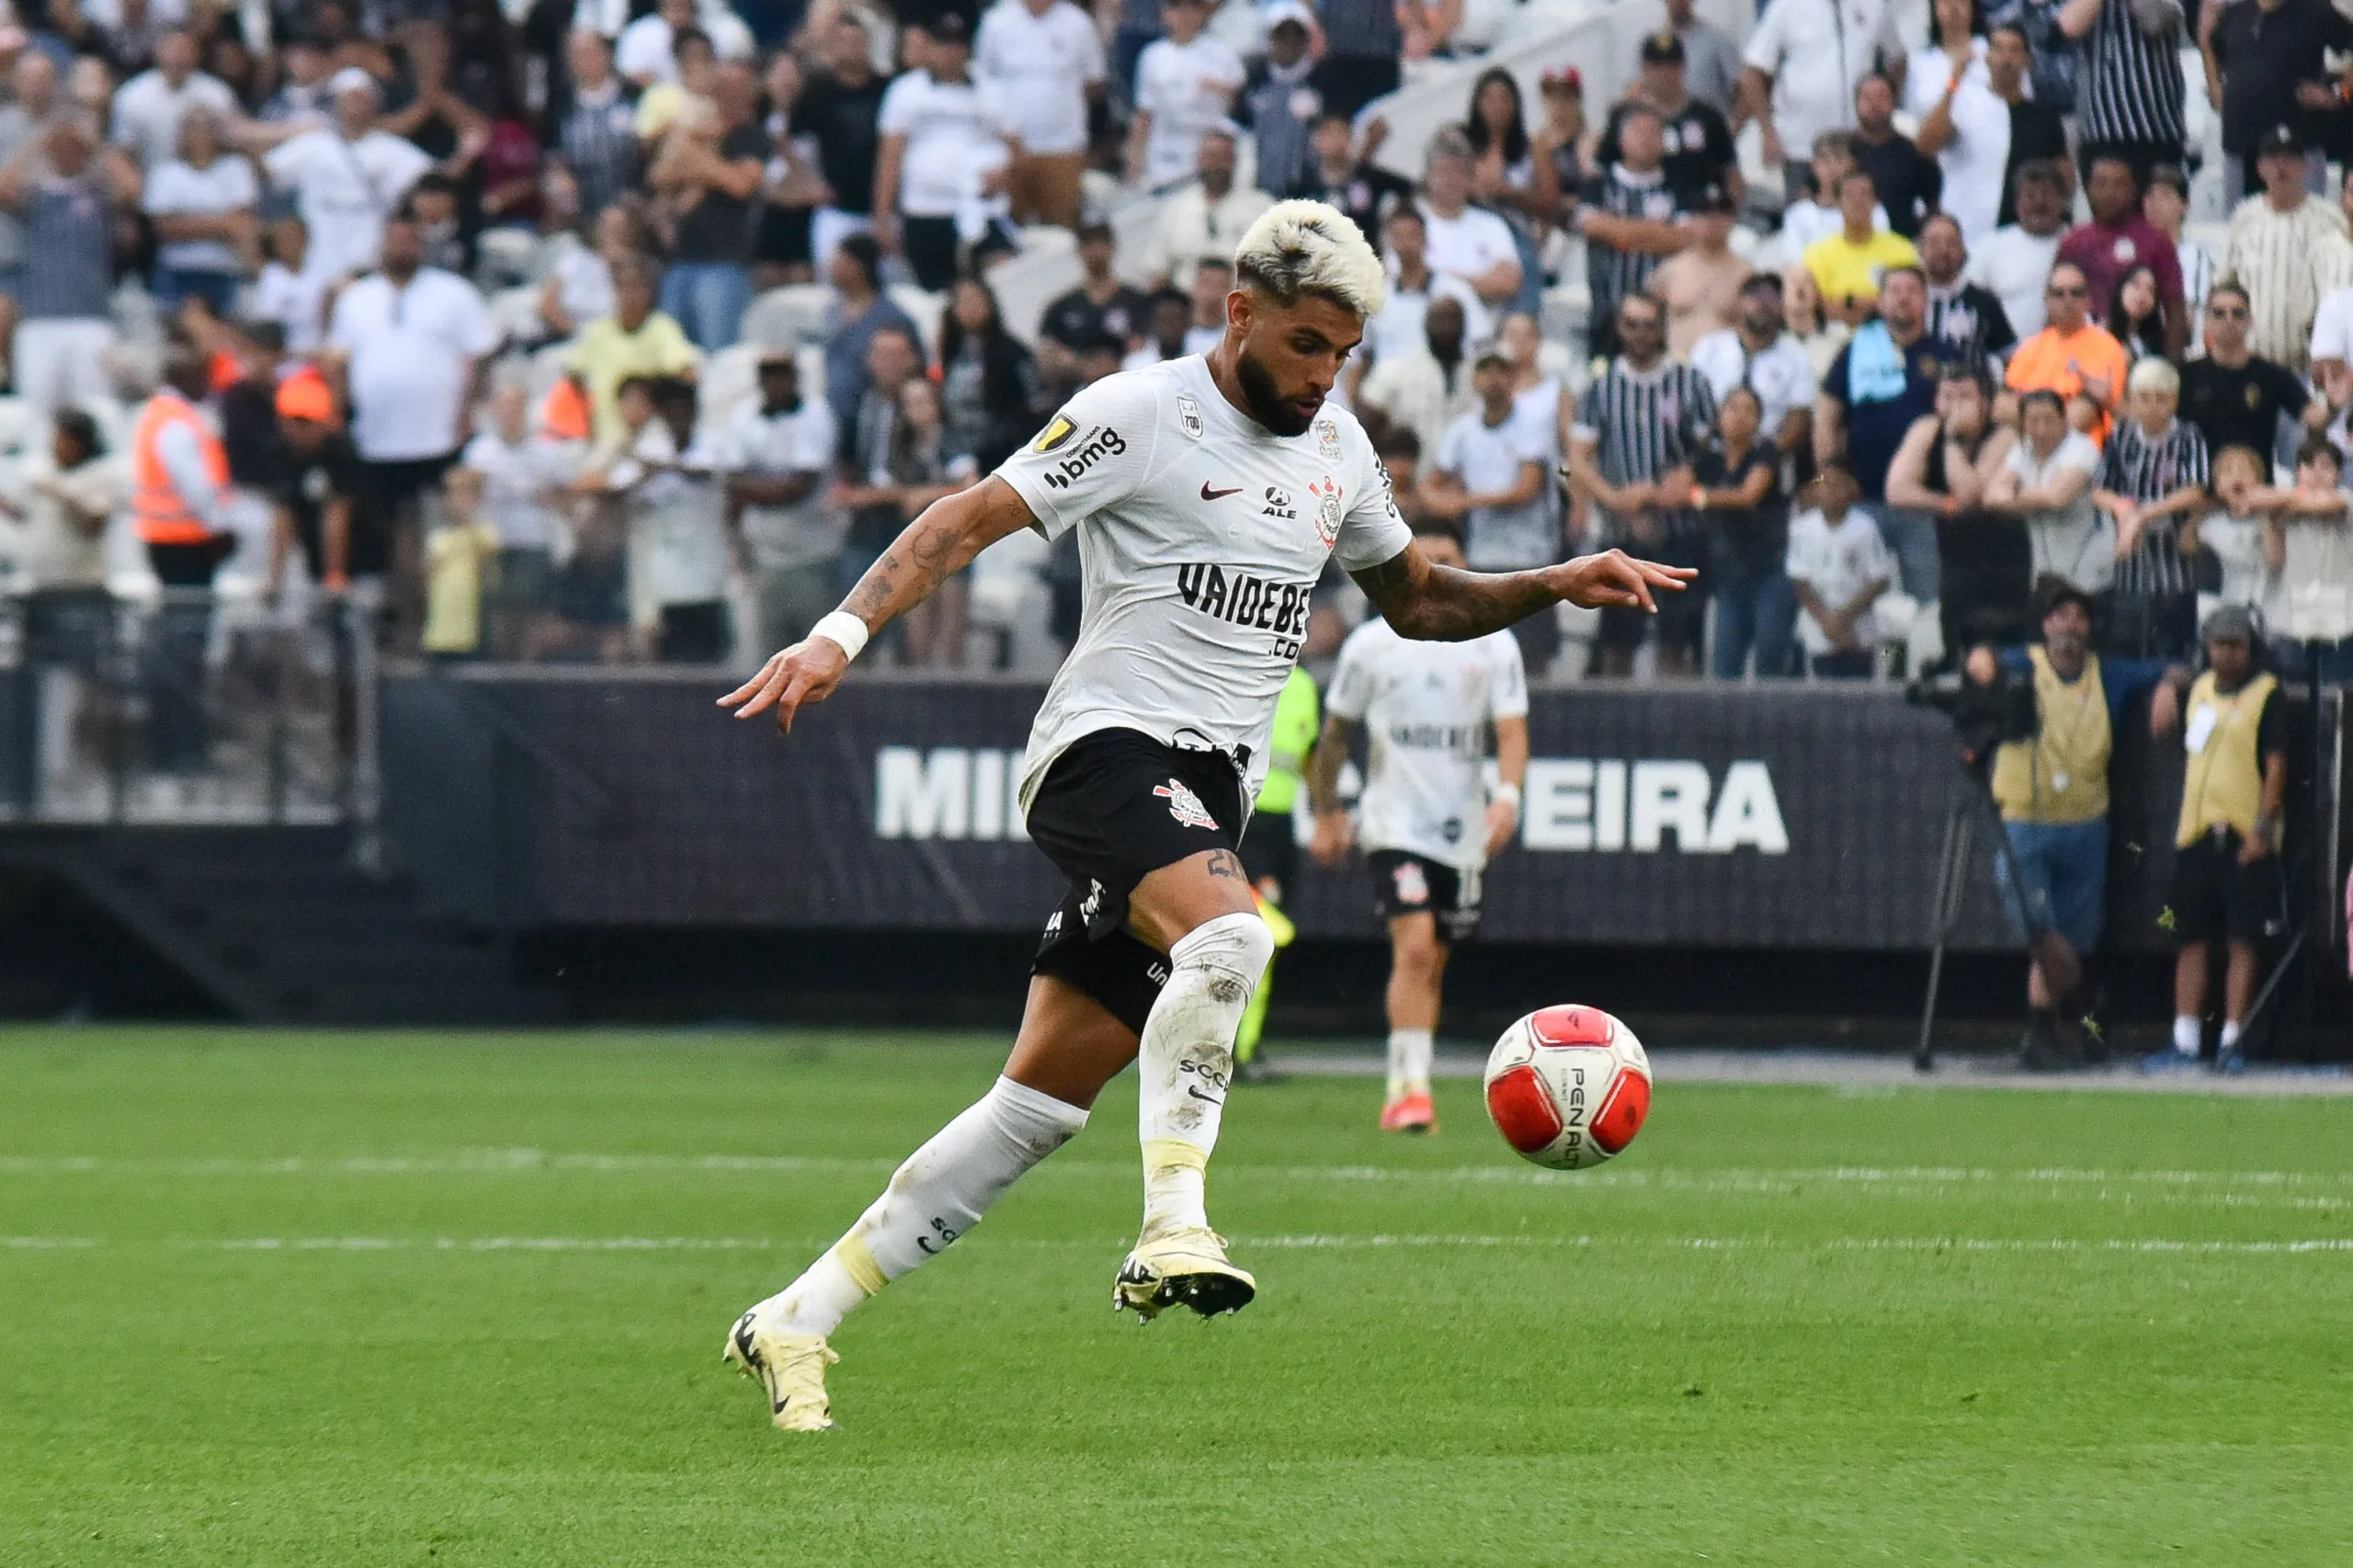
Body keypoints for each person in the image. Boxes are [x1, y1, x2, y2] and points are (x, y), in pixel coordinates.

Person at [714, 200, 1689, 1430]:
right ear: (1239, 313)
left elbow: (1420, 601)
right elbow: (964, 519)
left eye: (1343, 352)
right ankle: (1172, 1223)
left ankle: (795, 1317)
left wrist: (1554, 581)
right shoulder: (1140, 413)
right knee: (1232, 934)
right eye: (1305, 344)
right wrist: (839, 633)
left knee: (1038, 1104)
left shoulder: (1338, 448)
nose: (1323, 374)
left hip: (1204, 792)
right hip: (1102, 749)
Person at [1308, 517, 1528, 1131]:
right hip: (1393, 822)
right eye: (1426, 559)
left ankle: (1413, 1081)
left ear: (1467, 564)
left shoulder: (1493, 644)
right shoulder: (1371, 645)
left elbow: (1511, 731)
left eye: (1449, 557)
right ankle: (1408, 1090)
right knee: (1416, 946)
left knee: (1434, 959)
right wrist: (1326, 813)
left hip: (1461, 827)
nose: (1439, 570)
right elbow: (1335, 736)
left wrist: (1507, 797)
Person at [1963, 581, 2188, 1068]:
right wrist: (1980, 659)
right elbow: (1980, 660)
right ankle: (2087, 1005)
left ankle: (2043, 1031)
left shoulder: (2109, 673)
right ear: (2045, 625)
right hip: (2025, 818)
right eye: (2060, 616)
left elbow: (2177, 666)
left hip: (2086, 824)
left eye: (2079, 617)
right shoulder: (2024, 664)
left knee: (2072, 934)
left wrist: (2168, 686)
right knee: (2040, 929)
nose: (2069, 625)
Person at [325, 210, 501, 649]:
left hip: (438, 439)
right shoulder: (357, 299)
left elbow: (481, 352)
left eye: (409, 240)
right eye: (394, 240)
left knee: (442, 536)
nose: (401, 248)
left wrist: (466, 410)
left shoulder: (452, 293)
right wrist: (340, 413)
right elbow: (338, 360)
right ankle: (400, 625)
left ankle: (447, 625)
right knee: (389, 538)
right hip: (376, 441)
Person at [2156, 603, 2287, 1072]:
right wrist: (2167, 683)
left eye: (2235, 645)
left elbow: (2276, 766)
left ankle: (2234, 1038)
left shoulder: (2267, 694)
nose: (2226, 654)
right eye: (2219, 645)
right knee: (2190, 938)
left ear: (2250, 648)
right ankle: (2186, 1038)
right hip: (2196, 831)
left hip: (2241, 833)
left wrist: (2263, 828)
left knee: (2241, 941)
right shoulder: (2199, 689)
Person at [1568, 290, 1718, 676]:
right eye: (1631, 324)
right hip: (1621, 538)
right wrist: (1616, 499)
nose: (1640, 334)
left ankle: (1676, 716)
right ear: (1619, 327)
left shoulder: (1690, 382)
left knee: (1677, 645)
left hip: (1681, 532)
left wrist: (1681, 483)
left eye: (1649, 325)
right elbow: (1578, 460)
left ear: (1662, 328)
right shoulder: (1600, 387)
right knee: (1617, 646)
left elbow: (1711, 450)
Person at [131, 345, 236, 774]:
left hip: (167, 541)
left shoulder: (159, 414)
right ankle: (179, 746)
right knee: (185, 646)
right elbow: (196, 486)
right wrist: (220, 527)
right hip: (185, 544)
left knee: (181, 642)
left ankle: (176, 743)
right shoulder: (176, 422)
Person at [1815, 266, 1949, 604]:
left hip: (1923, 502)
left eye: (1912, 290)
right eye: (1895, 291)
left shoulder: (1945, 355)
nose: (1903, 298)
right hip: (1862, 498)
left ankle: (1919, 643)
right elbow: (1827, 417)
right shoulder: (1855, 352)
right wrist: (1828, 476)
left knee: (1925, 603)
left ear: (1925, 300)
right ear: (1881, 300)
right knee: (1856, 599)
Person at [1427, 352, 1556, 673]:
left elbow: (1526, 490)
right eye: (1485, 370)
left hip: (1529, 556)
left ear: (1513, 378)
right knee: (1482, 650)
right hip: (1482, 556)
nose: (1493, 379)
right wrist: (1442, 502)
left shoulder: (1531, 426)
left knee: (1531, 655)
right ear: (1474, 379)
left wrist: (1465, 501)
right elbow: (1430, 485)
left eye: (1501, 371)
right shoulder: (1463, 430)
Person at [1886, 362, 2027, 657]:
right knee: (1953, 633)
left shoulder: (2004, 436)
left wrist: (1952, 442)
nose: (1954, 407)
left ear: (1985, 403)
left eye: (1964, 397)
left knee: (1996, 643)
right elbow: (1897, 490)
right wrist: (1946, 505)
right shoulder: (1926, 428)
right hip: (1954, 556)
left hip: (2001, 557)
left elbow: (1970, 494)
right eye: (1947, 396)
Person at [0, 114, 138, 415]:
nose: (66, 152)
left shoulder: (97, 194)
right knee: (37, 412)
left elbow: (131, 187)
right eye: (60, 147)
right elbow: (3, 185)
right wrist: (39, 141)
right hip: (39, 319)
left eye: (73, 146)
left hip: (92, 317)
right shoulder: (36, 196)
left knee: (96, 412)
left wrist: (94, 141)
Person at [874, 12, 1009, 293]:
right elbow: (889, 157)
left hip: (980, 206)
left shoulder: (990, 90)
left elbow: (1015, 146)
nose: (950, 52)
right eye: (943, 44)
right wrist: (883, 215)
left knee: (998, 276)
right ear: (930, 47)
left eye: (957, 44)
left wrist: (1004, 175)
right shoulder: (906, 91)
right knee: (935, 289)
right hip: (925, 209)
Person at [262, 70, 433, 287]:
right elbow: (268, 170)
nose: (355, 105)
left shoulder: (391, 148)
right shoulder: (315, 144)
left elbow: (433, 180)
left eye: (362, 98)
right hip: (319, 259)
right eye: (349, 98)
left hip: (371, 263)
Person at [720, 350, 840, 653]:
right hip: (765, 557)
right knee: (771, 650)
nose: (776, 383)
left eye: (783, 375)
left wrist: (752, 487)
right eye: (769, 376)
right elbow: (731, 483)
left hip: (812, 555)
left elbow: (799, 487)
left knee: (815, 648)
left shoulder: (815, 415)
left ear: (794, 377)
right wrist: (737, 542)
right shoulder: (745, 417)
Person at [2093, 358, 2210, 658]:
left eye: (2161, 398)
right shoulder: (2121, 435)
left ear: (2175, 401)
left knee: (2173, 645)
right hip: (2130, 561)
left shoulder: (2188, 435)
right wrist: (2124, 510)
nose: (2152, 406)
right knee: (2128, 642)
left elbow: (2195, 490)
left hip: (2174, 560)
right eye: (2144, 398)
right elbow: (2099, 490)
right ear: (2131, 400)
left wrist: (2143, 514)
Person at [1233, 659, 1315, 1076]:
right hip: (1243, 820)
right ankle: (1234, 1047)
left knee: (1262, 941)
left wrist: (1326, 813)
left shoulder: (1303, 686)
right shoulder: (1241, 669)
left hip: (1280, 828)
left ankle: (1242, 1045)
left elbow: (1310, 755)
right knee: (1251, 936)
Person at [648, 66, 767, 351]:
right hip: (680, 259)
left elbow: (741, 184)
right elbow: (660, 176)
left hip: (723, 263)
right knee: (672, 352)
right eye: (722, 89)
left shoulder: (752, 137)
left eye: (735, 90)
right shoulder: (700, 133)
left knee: (718, 351)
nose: (727, 96)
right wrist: (710, 169)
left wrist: (691, 152)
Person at [463, 379, 580, 659]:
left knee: (528, 606)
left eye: (515, 406)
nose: (509, 413)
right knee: (497, 606)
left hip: (532, 539)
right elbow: (465, 496)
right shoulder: (480, 452)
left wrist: (546, 497)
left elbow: (568, 498)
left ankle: (525, 665)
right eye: (503, 406)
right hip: (492, 540)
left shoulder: (547, 453)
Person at [1739, 0, 1905, 196]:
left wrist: (1886, 104)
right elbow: (1753, 72)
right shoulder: (1787, 6)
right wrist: (1768, 132)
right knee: (1804, 211)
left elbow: (1898, 59)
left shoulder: (1874, 5)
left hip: (1861, 145)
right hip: (1802, 148)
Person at [2224, 125, 2352, 377]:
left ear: (2304, 166)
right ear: (2260, 167)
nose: (2281, 166)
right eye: (2273, 158)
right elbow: (2226, 283)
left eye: (2290, 158)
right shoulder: (2244, 217)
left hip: (2307, 368)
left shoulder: (2330, 219)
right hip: (2252, 364)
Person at [1692, 385, 1795, 678]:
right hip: (1729, 570)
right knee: (1725, 660)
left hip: (1769, 567)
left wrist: (1699, 497)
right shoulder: (1709, 458)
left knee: (1770, 654)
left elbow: (1748, 495)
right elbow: (1680, 486)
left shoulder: (1766, 452)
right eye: (1733, 409)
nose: (1740, 417)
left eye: (1749, 410)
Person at [2204, 0, 2347, 207]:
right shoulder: (2235, 13)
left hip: (2298, 148)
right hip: (2240, 147)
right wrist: (2215, 89)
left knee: (2305, 219)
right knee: (2241, 222)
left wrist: (2338, 96)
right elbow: (2211, 46)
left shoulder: (2316, 11)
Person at [974, 0, 1103, 228]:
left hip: (1063, 147)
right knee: (1011, 229)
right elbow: (983, 80)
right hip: (1009, 150)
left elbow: (1093, 81)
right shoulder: (996, 21)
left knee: (1062, 229)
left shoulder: (1078, 23)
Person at [1909, 1, 2022, 245]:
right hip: (1949, 171)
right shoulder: (1921, 63)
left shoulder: (1993, 48)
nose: (1953, 7)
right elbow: (1921, 135)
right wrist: (1955, 78)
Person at [1577, 105, 1686, 359]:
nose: (1646, 139)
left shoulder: (1678, 184)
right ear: (1621, 139)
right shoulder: (1599, 182)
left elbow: (1683, 238)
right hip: (1607, 310)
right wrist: (1656, 232)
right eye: (1638, 131)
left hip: (1662, 314)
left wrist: (1619, 232)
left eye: (1653, 132)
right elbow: (1591, 226)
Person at [568, 253, 703, 448]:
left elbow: (687, 374)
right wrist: (585, 421)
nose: (630, 295)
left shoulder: (662, 328)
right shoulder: (597, 332)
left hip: (647, 441)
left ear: (649, 291)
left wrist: (651, 399)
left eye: (637, 287)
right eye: (623, 287)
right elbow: (574, 377)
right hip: (603, 439)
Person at [2056, 156, 2184, 358]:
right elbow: (2056, 301)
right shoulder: (2073, 242)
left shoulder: (2156, 241)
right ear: (2088, 190)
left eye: (2119, 184)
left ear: (2133, 191)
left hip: (2141, 351)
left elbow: (2175, 308)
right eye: (2101, 184)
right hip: (2083, 351)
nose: (2110, 192)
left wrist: (2173, 365)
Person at [1597, 32, 1739, 212]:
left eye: (1672, 66)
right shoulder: (1624, 117)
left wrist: (1729, 207)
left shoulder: (1707, 117)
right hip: (1639, 211)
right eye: (1657, 67)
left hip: (1699, 211)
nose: (1664, 74)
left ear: (1683, 67)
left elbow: (1729, 168)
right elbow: (1604, 167)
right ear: (1644, 69)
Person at [1987, 389, 2109, 593]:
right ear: (2023, 423)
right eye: (2034, 421)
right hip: (2045, 570)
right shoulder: (2023, 450)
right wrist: (2027, 497)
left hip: (2087, 563)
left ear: (2063, 420)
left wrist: (2014, 494)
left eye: (2049, 420)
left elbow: (2056, 498)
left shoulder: (2081, 448)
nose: (2041, 429)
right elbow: (1991, 497)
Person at [792, 14, 888, 273]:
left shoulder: (886, 89)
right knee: (833, 279)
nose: (851, 49)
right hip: (836, 209)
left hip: (880, 210)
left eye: (857, 42)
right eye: (844, 42)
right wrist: (807, 181)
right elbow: (788, 136)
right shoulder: (818, 91)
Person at [1689, 271, 1817, 466]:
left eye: (1773, 297)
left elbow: (1799, 418)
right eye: (1755, 295)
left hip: (1768, 459)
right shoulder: (1710, 347)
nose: (1763, 303)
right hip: (1708, 453)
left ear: (1783, 305)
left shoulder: (1796, 356)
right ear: (1739, 302)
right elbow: (1688, 404)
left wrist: (1765, 461)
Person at [2186, 280, 2317, 467]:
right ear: (2207, 322)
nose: (2229, 320)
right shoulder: (2186, 375)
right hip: (2199, 483)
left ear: (2250, 321)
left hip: (2258, 483)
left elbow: (2314, 418)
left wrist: (2334, 402)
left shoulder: (2273, 376)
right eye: (2219, 313)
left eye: (2237, 313)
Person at [142, 107, 256, 318]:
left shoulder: (235, 168)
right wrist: (222, 224)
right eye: (193, 127)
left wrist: (188, 222)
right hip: (178, 269)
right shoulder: (165, 173)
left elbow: (241, 224)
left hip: (224, 269)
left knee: (225, 332)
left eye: (207, 127)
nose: (200, 134)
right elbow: (164, 228)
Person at [2257, 437, 2353, 683]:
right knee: (2293, 693)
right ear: (2298, 471)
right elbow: (2274, 560)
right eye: (2309, 465)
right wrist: (2271, 520)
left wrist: (2273, 502)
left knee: (2338, 691)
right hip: (2293, 614)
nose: (2317, 473)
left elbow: (2325, 504)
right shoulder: (2280, 506)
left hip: (2343, 617)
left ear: (2339, 473)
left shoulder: (2346, 498)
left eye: (2326, 466)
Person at [1785, 460, 1893, 677]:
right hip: (1817, 629)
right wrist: (1826, 621)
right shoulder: (1803, 528)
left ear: (1852, 489)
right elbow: (1799, 580)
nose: (1830, 490)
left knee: (1858, 687)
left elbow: (1879, 579)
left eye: (1838, 484)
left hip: (1857, 630)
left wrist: (1842, 619)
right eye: (1824, 484)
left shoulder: (1865, 528)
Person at [2003, 260, 2128, 438]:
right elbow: (2001, 406)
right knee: (2005, 436)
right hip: (2028, 440)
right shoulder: (2031, 347)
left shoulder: (2105, 345)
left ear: (2088, 300)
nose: (2068, 301)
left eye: (2076, 293)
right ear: (2046, 299)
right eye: (2058, 293)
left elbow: (2082, 415)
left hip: (2079, 442)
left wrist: (2031, 420)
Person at [2071, 0, 2188, 188]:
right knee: (2108, 203)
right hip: (2101, 129)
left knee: (2157, 202)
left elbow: (2155, 20)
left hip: (2156, 128)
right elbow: (2068, 27)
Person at [1127, 0, 1242, 191]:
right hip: (1165, 156)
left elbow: (1241, 99)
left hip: (1207, 156)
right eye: (1176, 8)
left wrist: (1222, 88)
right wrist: (1135, 161)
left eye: (1191, 8)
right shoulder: (1153, 55)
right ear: (1165, 14)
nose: (1184, 15)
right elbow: (1143, 114)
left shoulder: (1222, 52)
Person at [1143, 127, 1275, 291]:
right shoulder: (1175, 208)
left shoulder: (1261, 207)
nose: (1216, 165)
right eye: (1210, 157)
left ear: (1234, 161)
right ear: (1199, 160)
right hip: (1187, 299)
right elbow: (1157, 270)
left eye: (1223, 158)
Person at [939, 276, 1042, 474]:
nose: (970, 307)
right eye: (963, 301)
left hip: (1008, 452)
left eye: (975, 299)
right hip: (964, 454)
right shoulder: (951, 354)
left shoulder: (1012, 351)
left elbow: (1033, 401)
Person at [1420, 128, 1523, 310]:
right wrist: (1480, 281)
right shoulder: (1412, 223)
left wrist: (1445, 280)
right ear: (1428, 177)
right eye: (1443, 171)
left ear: (1470, 178)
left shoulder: (1492, 225)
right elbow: (1408, 280)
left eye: (1459, 171)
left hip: (1482, 323)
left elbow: (1508, 284)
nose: (1451, 179)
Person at [1802, 168, 1916, 326]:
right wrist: (1876, 302)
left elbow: (1907, 304)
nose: (1858, 201)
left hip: (1891, 332)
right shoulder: (1817, 253)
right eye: (1850, 195)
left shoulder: (1903, 250)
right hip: (1835, 332)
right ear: (1838, 203)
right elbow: (1821, 307)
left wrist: (1848, 301)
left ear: (1876, 201)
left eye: (1864, 194)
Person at [1968, 159, 2068, 337]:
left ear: (2062, 200)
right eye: (2030, 195)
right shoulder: (1990, 247)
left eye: (2046, 194)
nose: (2039, 202)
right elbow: (1971, 303)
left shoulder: (2077, 242)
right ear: (2016, 203)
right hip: (2008, 351)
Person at [1650, 183, 1746, 358]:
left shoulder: (1746, 275)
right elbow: (1648, 318)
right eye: (1706, 212)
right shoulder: (1670, 270)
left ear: (1732, 220)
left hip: (1725, 366)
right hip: (1677, 362)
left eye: (1722, 212)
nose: (1713, 219)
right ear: (1692, 219)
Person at [1235, 6, 1319, 202]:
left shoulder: (1322, 81)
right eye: (1282, 35)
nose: (1289, 42)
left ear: (1306, 40)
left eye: (1297, 35)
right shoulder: (1254, 80)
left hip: (1307, 191)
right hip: (1259, 188)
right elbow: (1240, 128)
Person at [1917, 212, 2018, 373]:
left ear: (1962, 249)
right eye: (1934, 243)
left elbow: (2011, 357)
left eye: (1951, 243)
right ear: (1920, 248)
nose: (1943, 250)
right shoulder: (1909, 299)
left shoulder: (1984, 302)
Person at [420, 466, 503, 660]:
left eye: (465, 494)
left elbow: (489, 567)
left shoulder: (486, 534)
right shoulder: (439, 537)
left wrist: (469, 520)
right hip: (442, 630)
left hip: (475, 629)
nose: (458, 501)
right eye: (453, 495)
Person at [1848, 74, 1938, 241]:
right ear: (1856, 103)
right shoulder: (1845, 152)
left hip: (1903, 243)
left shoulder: (1915, 153)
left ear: (1894, 102)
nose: (1874, 104)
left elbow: (1932, 205)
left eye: (1881, 96)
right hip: (1853, 244)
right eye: (1867, 97)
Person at [2142, 165, 2213, 337]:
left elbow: (2186, 318)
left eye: (2165, 196)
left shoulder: (2194, 255)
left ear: (2185, 205)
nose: (2155, 204)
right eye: (2150, 195)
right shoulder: (2135, 253)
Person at [2105, 265, 2166, 363]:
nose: (2142, 295)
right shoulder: (2103, 335)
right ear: (2121, 288)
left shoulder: (2153, 343)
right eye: (2136, 285)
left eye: (2150, 290)